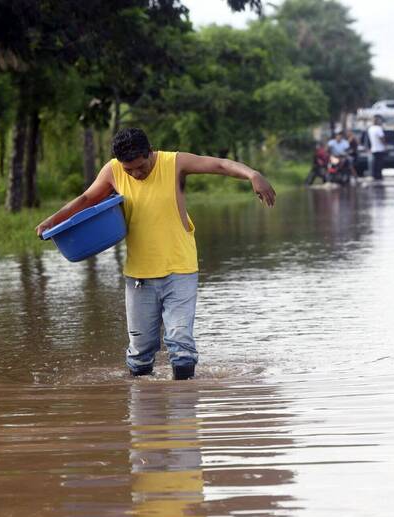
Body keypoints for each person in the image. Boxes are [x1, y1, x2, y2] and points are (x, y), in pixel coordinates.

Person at [35, 127, 276, 380]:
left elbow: (220, 165)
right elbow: (86, 199)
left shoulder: (174, 163)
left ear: (150, 152)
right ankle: (143, 406)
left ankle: (184, 408)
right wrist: (52, 221)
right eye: (129, 170)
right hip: (139, 275)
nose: (136, 174)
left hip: (180, 269)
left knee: (181, 344)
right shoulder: (113, 170)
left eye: (141, 167)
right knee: (140, 353)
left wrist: (253, 174)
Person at [367, 115, 387, 180]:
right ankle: (379, 175)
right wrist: (385, 145)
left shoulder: (370, 129)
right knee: (379, 163)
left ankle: (374, 175)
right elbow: (382, 138)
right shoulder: (378, 128)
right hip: (380, 148)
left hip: (373, 148)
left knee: (374, 163)